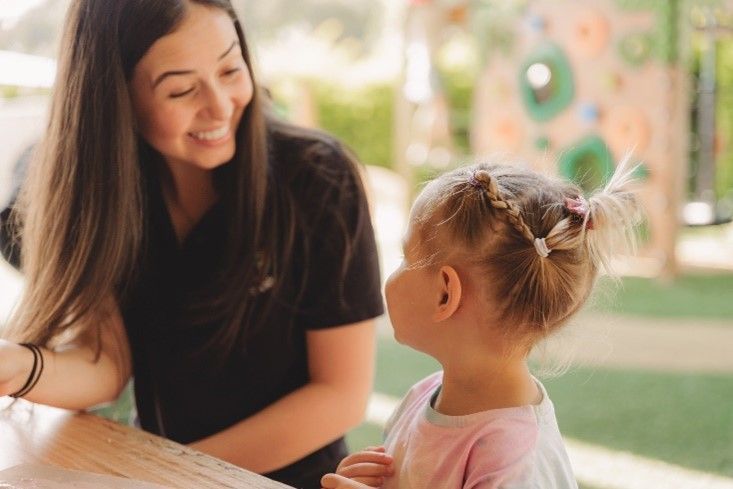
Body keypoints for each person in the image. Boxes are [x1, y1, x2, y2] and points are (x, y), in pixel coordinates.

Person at [0, 1, 384, 487]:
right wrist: (19, 365)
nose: (221, 106)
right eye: (181, 89)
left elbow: (339, 394)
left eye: (230, 68)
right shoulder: (104, 191)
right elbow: (107, 363)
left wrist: (169, 470)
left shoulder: (317, 178)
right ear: (116, 95)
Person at [321, 160, 641, 488]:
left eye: (406, 258)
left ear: (445, 294)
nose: (396, 270)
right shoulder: (426, 394)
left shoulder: (515, 461)